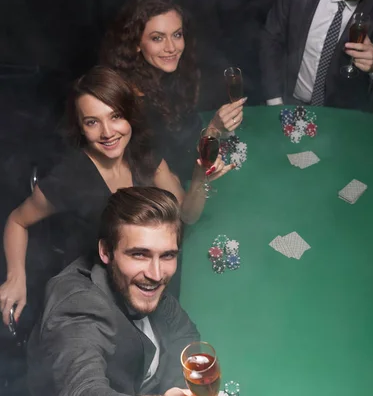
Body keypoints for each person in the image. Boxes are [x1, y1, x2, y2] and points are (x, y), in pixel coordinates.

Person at [26, 187, 219, 396]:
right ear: (106, 251)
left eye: (168, 255)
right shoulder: (78, 306)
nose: (156, 274)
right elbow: (81, 394)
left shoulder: (142, 284)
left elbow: (185, 335)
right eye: (139, 254)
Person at [0, 66, 233, 327]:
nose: (107, 132)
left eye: (116, 116)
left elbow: (186, 214)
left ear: (129, 115)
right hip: (102, 290)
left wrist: (200, 177)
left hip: (152, 273)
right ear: (80, 127)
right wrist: (15, 277)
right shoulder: (71, 177)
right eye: (92, 122)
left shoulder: (141, 151)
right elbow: (17, 221)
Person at [100, 0, 246, 182]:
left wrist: (213, 132)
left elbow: (189, 137)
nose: (172, 47)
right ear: (136, 43)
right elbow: (176, 167)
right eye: (157, 38)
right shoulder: (129, 102)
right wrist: (214, 130)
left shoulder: (173, 74)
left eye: (177, 35)